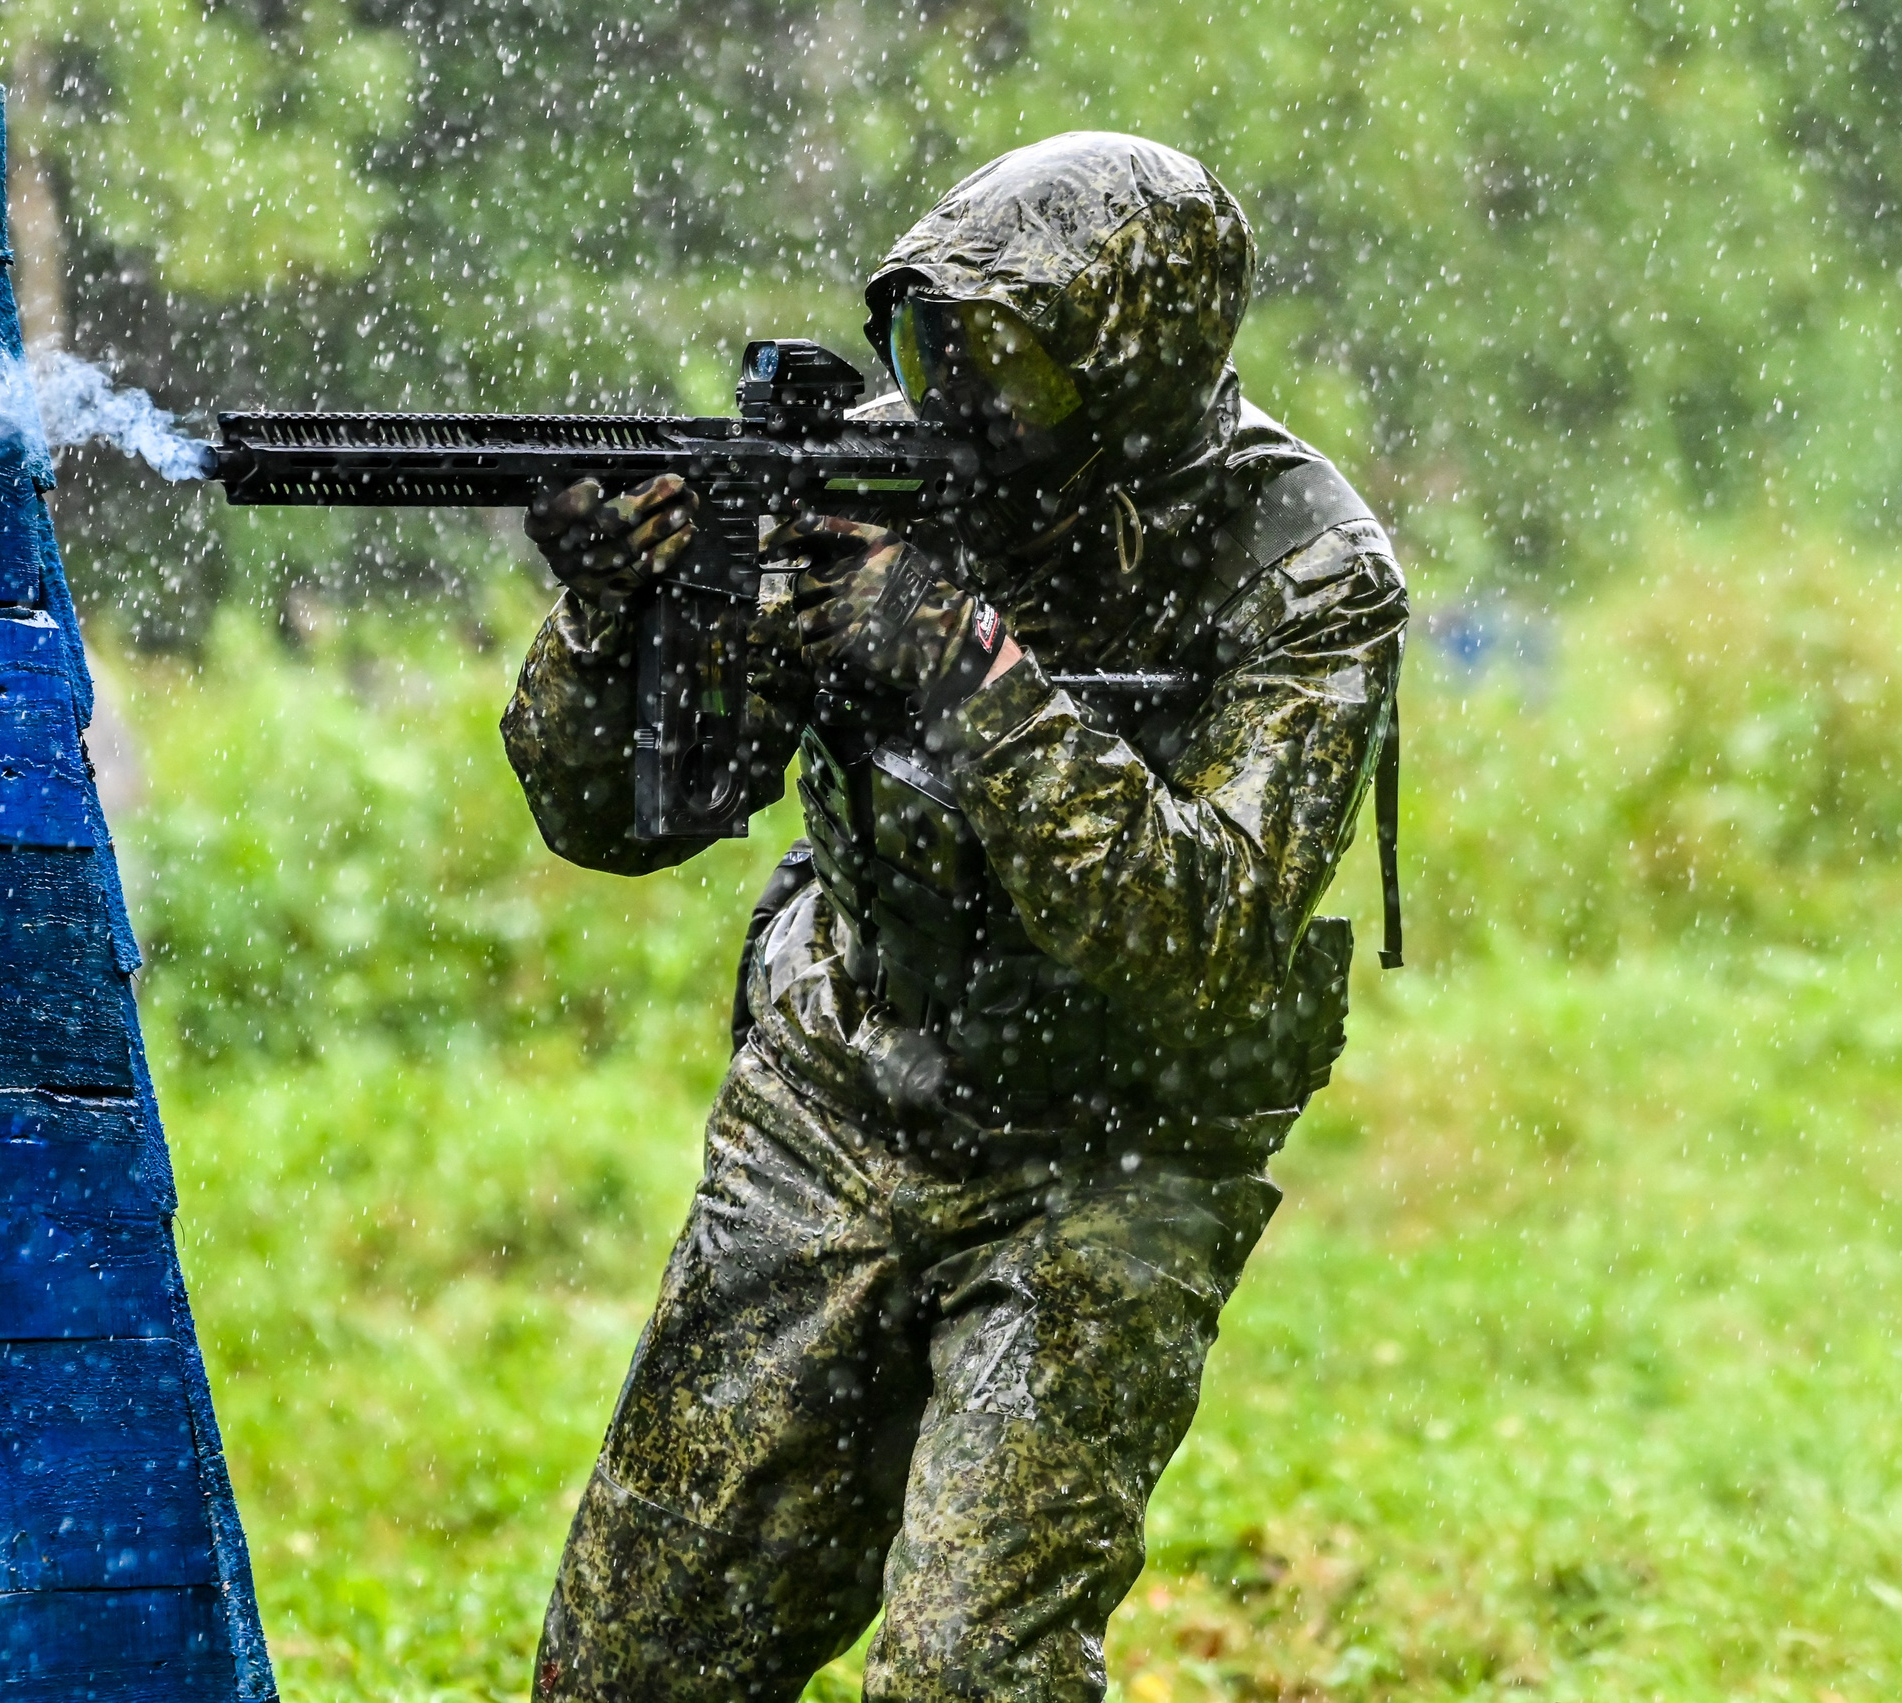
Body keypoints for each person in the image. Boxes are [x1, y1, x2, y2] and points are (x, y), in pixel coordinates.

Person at [501, 130, 1407, 1703]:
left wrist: (955, 657)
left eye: (1010, 362)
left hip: (1116, 1153)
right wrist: (620, 621)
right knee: (637, 1664)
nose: (956, 403)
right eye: (930, 347)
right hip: (838, 1098)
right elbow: (630, 820)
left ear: (1135, 368)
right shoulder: (872, 474)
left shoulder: (1303, 570)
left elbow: (1195, 930)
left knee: (967, 1678)